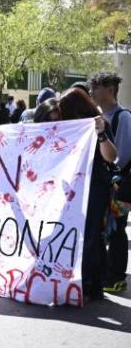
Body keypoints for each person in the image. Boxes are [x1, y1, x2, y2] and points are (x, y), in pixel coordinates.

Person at [59, 87, 117, 301]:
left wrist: (100, 134)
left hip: (94, 187)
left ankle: (92, 282)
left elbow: (112, 157)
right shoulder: (66, 128)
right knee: (81, 234)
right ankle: (86, 281)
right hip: (72, 188)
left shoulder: (99, 124)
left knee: (92, 235)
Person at [89, 72, 130, 293]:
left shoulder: (122, 117)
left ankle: (116, 276)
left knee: (117, 230)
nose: (92, 92)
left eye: (96, 87)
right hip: (105, 186)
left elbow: (121, 157)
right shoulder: (97, 116)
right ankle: (106, 274)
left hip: (119, 186)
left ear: (110, 90)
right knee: (105, 231)